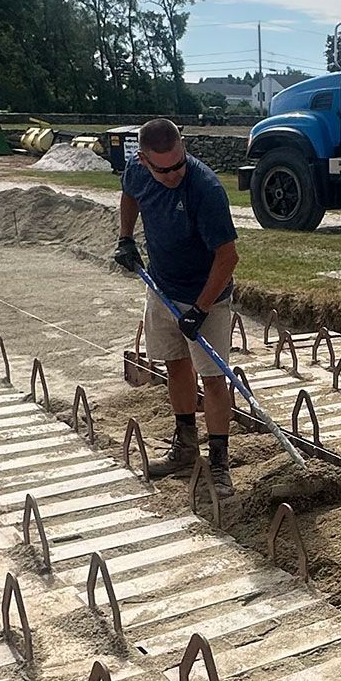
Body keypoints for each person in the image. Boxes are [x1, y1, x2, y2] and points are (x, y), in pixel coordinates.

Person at [113, 118, 240, 494]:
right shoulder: (137, 171)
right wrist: (126, 238)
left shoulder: (206, 189)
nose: (172, 175)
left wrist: (199, 310)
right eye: (162, 169)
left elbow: (228, 257)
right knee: (175, 364)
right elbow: (129, 195)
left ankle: (219, 462)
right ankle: (185, 446)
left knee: (214, 379)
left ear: (184, 149)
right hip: (163, 288)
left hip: (207, 294)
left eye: (178, 165)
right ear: (144, 160)